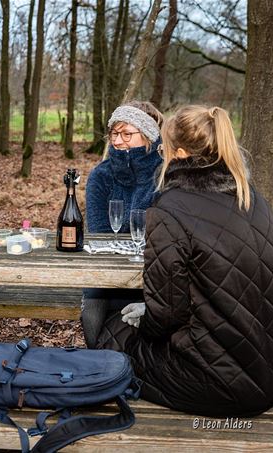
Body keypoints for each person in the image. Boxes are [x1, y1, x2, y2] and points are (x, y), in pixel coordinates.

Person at [94, 105, 273, 416]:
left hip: (223, 385)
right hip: (270, 371)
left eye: (164, 147)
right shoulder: (251, 197)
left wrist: (146, 315)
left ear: (178, 153)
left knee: (110, 332)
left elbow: (166, 316)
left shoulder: (170, 208)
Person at [81, 101, 164, 347]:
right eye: (114, 133)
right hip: (108, 272)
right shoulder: (101, 175)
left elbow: (165, 237)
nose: (117, 141)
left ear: (149, 137)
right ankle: (99, 368)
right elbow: (99, 235)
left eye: (127, 134)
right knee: (93, 303)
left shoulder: (164, 175)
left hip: (153, 273)